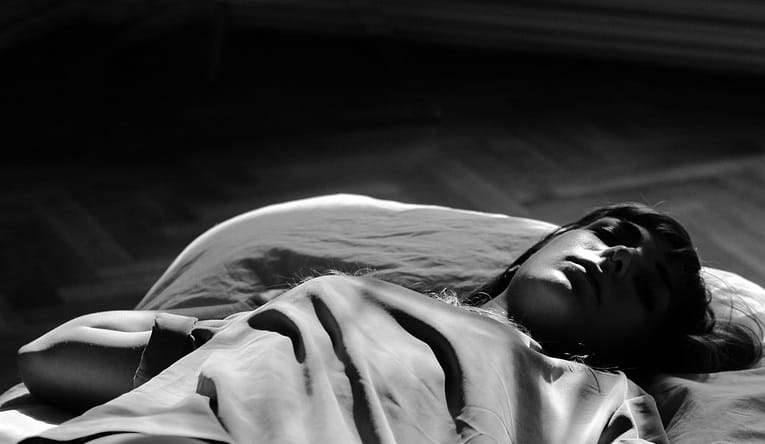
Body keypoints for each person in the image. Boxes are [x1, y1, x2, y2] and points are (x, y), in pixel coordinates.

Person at [16, 202, 763, 413]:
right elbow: (48, 360)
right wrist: (216, 350)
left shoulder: (600, 405)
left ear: (639, 342)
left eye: (642, 284)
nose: (619, 255)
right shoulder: (339, 304)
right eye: (610, 233)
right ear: (534, 249)